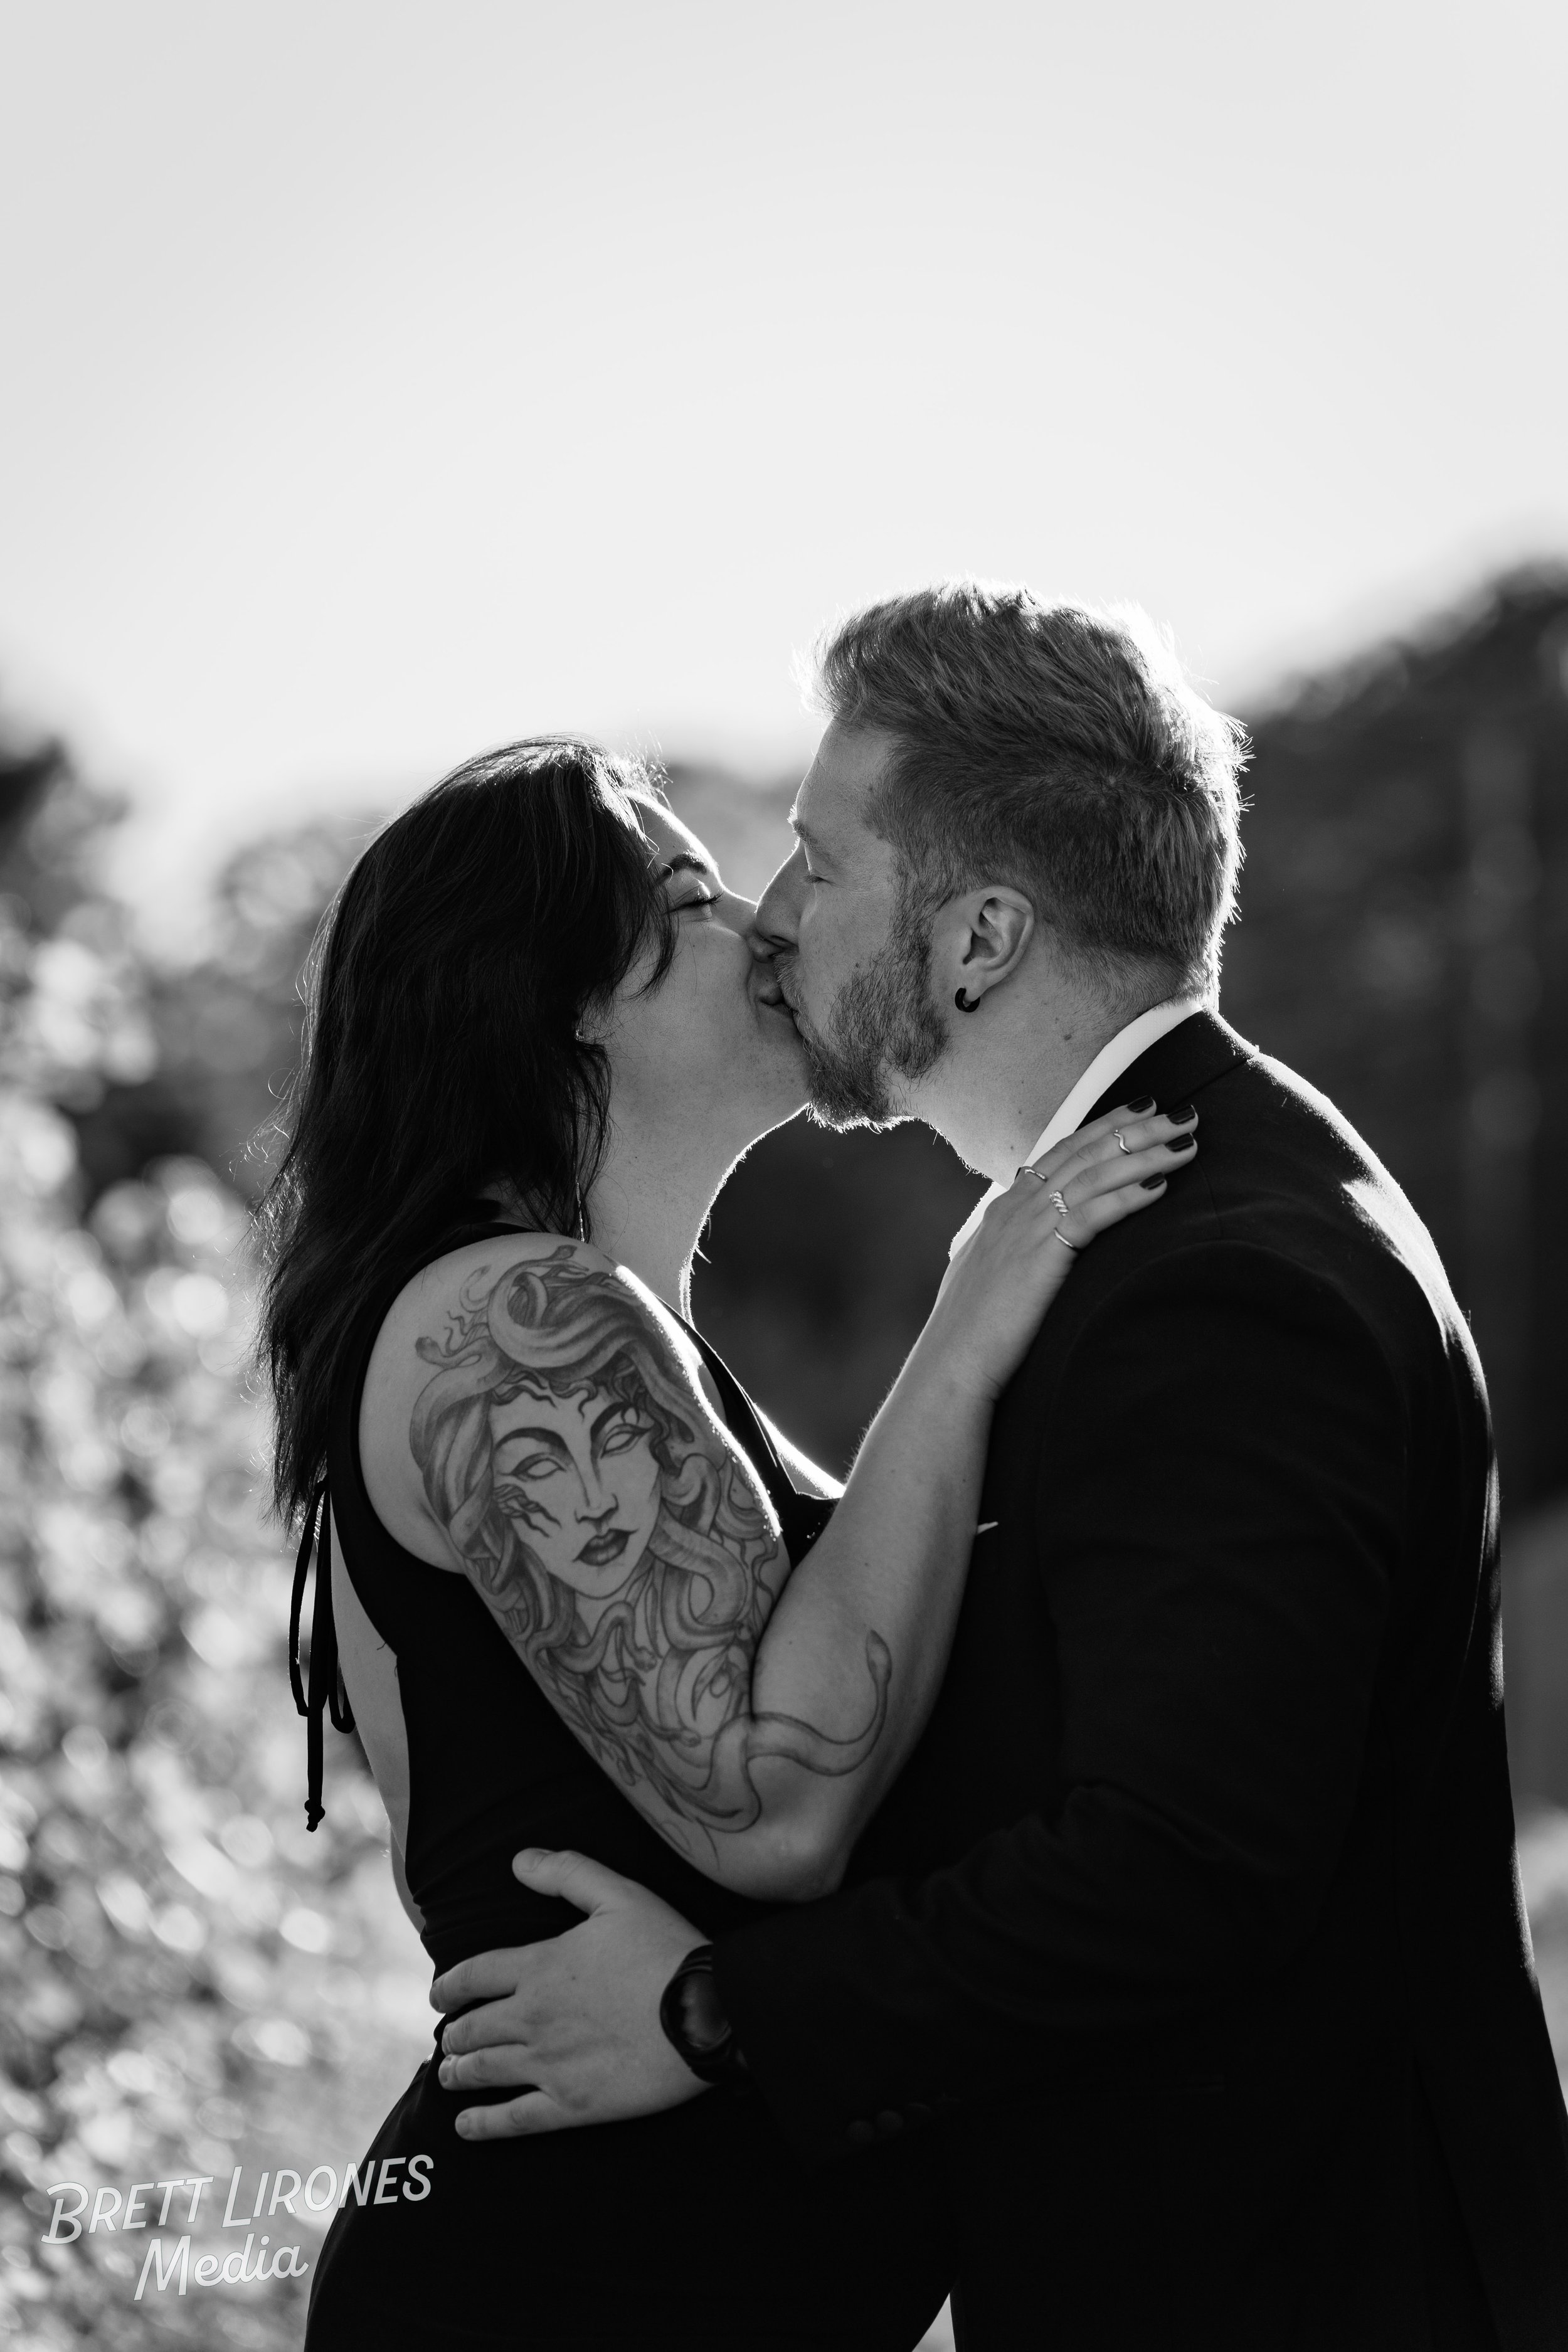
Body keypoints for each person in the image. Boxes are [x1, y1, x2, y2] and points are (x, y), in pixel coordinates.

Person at [432, 586, 1568, 2351]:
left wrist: (709, 2012)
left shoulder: (1221, 1278)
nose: (772, 918)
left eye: (818, 862)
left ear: (974, 939)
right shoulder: (1153, 1226)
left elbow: (1179, 1865)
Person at [258, 732, 1188, 2351]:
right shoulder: (513, 1315)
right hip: (565, 2288)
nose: (761, 923)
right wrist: (960, 1333)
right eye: (685, 900)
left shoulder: (614, 1332)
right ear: (557, 998)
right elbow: (772, 1809)